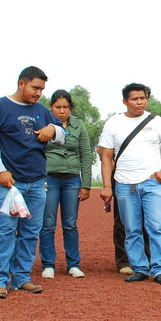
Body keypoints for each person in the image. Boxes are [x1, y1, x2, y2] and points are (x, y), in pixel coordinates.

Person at [0, 66, 65, 299]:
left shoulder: (41, 110)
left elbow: (62, 134)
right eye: (35, 87)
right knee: (6, 230)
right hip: (9, 182)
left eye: (42, 89)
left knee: (30, 231)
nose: (39, 93)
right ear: (21, 83)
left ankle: (21, 277)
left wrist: (52, 128)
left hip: (37, 182)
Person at [98, 83, 161, 285]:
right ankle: (140, 268)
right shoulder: (113, 124)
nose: (139, 102)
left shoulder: (157, 121)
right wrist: (107, 186)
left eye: (143, 98)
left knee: (157, 227)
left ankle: (159, 268)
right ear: (125, 101)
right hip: (125, 184)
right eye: (134, 99)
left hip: (152, 183)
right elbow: (106, 157)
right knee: (131, 228)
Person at [39, 89, 92, 279]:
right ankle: (48, 264)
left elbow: (86, 154)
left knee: (70, 223)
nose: (62, 111)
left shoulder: (79, 126)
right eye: (58, 107)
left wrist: (85, 184)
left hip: (71, 179)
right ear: (51, 107)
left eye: (66, 107)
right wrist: (40, 177)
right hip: (49, 178)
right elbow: (36, 151)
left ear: (70, 108)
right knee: (48, 223)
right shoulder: (44, 123)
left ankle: (73, 264)